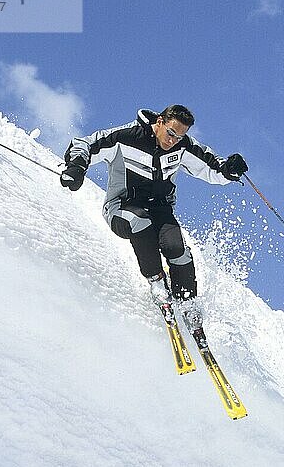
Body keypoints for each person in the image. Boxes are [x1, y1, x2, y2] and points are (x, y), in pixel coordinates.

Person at [60, 105, 248, 333]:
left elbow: (210, 167)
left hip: (160, 211)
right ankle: (157, 282)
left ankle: (187, 302)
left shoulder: (182, 146)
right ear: (159, 122)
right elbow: (85, 143)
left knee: (177, 247)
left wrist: (228, 170)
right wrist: (77, 166)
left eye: (180, 136)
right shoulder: (126, 137)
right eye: (171, 133)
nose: (174, 141)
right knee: (140, 222)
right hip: (122, 209)